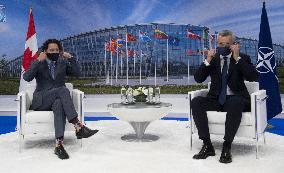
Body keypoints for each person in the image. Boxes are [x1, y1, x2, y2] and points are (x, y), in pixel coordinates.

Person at [23, 39, 98, 160]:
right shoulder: (39, 62)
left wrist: (71, 58)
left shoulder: (62, 63)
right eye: (51, 50)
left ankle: (59, 145)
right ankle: (78, 126)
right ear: (45, 51)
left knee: (58, 104)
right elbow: (26, 77)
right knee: (62, 89)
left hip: (56, 100)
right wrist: (37, 60)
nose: (54, 52)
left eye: (57, 50)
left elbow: (77, 74)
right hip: (42, 100)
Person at [191, 30, 258, 163]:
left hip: (237, 99)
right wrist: (208, 60)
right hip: (216, 99)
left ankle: (227, 146)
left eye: (227, 44)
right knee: (196, 101)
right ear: (217, 44)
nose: (224, 47)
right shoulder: (213, 59)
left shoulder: (242, 58)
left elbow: (253, 76)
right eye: (221, 44)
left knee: (235, 102)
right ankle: (207, 145)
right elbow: (198, 78)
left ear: (234, 44)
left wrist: (237, 58)